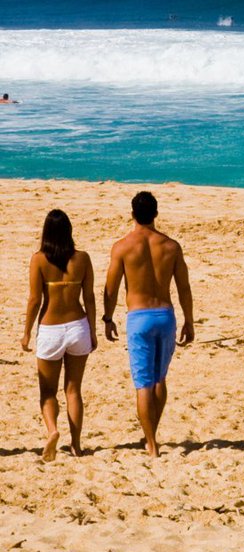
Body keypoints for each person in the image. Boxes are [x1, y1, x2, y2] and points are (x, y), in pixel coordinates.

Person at [103, 191, 195, 457]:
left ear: (132, 214)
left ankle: (151, 443)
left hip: (138, 317)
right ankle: (152, 432)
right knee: (159, 379)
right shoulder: (171, 246)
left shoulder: (122, 247)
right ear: (156, 214)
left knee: (143, 383)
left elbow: (110, 289)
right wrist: (189, 320)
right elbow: (184, 288)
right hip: (165, 315)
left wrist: (108, 318)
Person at [22, 210, 96, 460]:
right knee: (73, 390)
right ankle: (76, 445)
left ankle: (53, 431)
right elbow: (89, 298)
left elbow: (34, 300)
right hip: (78, 326)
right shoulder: (82, 259)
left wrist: (26, 333)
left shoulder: (39, 260)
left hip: (51, 328)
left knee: (48, 391)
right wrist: (93, 331)